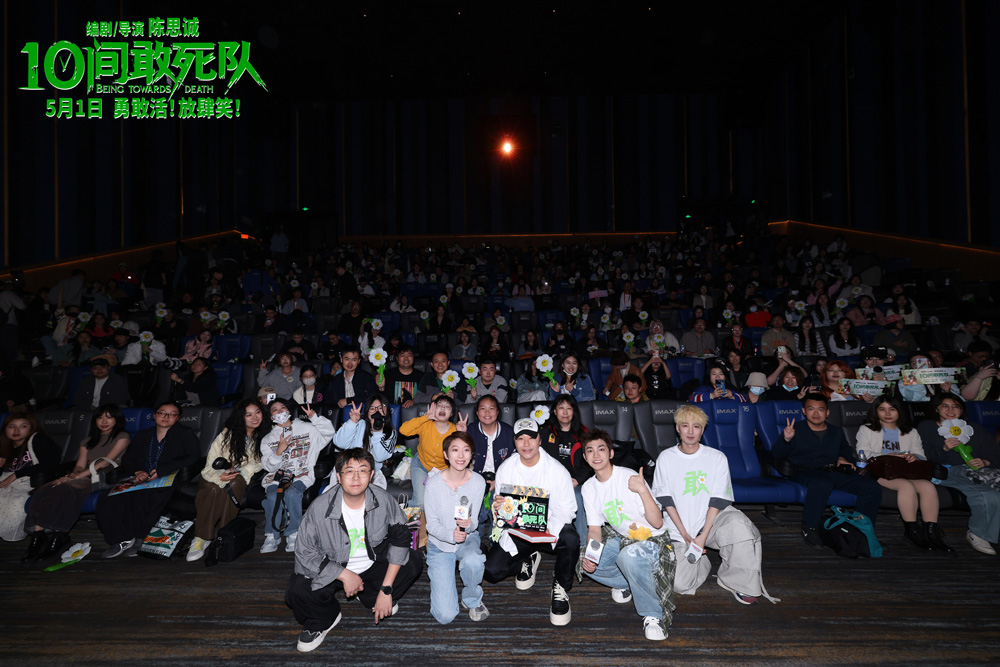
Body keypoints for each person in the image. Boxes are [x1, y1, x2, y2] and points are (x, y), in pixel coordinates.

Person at [286, 447, 423, 652]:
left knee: (413, 561)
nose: (356, 477)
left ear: (372, 475)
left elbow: (401, 538)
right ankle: (324, 618)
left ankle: (371, 595)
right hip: (333, 566)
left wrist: (386, 590)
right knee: (297, 590)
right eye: (349, 471)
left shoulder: (383, 499)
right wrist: (344, 574)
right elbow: (305, 552)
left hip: (373, 562)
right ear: (339, 477)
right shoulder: (319, 507)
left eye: (362, 470)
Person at [652, 405, 777, 606]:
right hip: (678, 528)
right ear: (677, 428)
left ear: (702, 430)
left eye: (696, 426)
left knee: (739, 525)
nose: (690, 431)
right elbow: (665, 500)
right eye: (685, 425)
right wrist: (685, 535)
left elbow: (718, 500)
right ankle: (703, 561)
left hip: (711, 522)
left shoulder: (716, 457)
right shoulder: (666, 458)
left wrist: (702, 537)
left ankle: (737, 581)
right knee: (680, 584)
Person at [579, 429, 673, 641]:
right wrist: (592, 557)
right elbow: (594, 529)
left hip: (653, 540)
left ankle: (653, 614)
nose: (596, 455)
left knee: (628, 556)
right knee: (583, 561)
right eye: (590, 451)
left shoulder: (629, 477)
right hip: (624, 539)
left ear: (611, 453)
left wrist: (643, 490)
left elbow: (658, 522)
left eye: (601, 449)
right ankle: (630, 582)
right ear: (585, 457)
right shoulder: (589, 488)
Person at [484, 418, 578, 626]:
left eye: (531, 438)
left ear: (539, 440)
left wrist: (543, 527)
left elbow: (568, 510)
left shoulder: (557, 470)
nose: (526, 444)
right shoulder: (506, 469)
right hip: (518, 532)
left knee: (571, 538)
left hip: (549, 530)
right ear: (514, 441)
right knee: (491, 571)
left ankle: (561, 587)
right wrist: (498, 507)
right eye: (521, 439)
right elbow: (502, 509)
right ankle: (528, 558)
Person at [22, 405, 130, 564]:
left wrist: (77, 477)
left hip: (104, 477)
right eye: (100, 417)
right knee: (48, 487)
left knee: (65, 488)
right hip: (83, 477)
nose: (104, 421)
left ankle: (59, 535)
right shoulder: (87, 441)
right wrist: (72, 475)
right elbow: (79, 465)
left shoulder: (122, 436)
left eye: (109, 417)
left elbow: (105, 462)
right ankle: (38, 536)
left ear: (117, 420)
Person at [772, 394, 883, 548]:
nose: (816, 413)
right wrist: (786, 439)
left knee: (871, 487)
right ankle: (810, 528)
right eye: (811, 409)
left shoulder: (836, 431)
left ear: (827, 413)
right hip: (804, 471)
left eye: (820, 409)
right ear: (804, 411)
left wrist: (843, 458)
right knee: (822, 484)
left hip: (832, 471)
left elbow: (845, 449)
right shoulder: (794, 429)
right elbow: (776, 454)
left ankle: (862, 530)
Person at [95, 401, 200, 558]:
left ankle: (141, 537)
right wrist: (138, 471)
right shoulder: (143, 435)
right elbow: (128, 459)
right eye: (162, 412)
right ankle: (121, 539)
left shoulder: (185, 434)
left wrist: (162, 471)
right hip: (140, 477)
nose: (166, 416)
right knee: (107, 498)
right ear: (154, 415)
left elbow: (193, 457)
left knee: (148, 495)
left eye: (172, 414)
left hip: (168, 477)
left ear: (178, 418)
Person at [855, 394, 952, 552]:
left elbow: (921, 455)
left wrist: (914, 456)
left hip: (906, 470)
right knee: (906, 486)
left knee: (928, 487)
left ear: (899, 411)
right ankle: (911, 531)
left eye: (892, 409)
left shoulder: (910, 431)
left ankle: (931, 532)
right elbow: (863, 453)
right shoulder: (867, 429)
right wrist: (890, 455)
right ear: (876, 411)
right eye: (882, 409)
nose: (887, 413)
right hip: (880, 470)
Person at [917, 394, 1000, 555]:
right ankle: (979, 534)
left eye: (955, 406)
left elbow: (995, 454)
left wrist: (985, 462)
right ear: (936, 409)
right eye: (945, 406)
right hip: (946, 471)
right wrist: (944, 449)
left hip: (979, 471)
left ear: (962, 410)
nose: (950, 410)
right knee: (988, 495)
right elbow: (924, 456)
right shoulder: (927, 427)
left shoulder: (974, 429)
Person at [187, 398, 267, 561]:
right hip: (213, 474)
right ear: (241, 417)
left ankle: (224, 534)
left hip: (244, 476)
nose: (254, 417)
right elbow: (210, 464)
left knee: (235, 482)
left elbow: (261, 462)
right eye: (248, 414)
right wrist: (219, 475)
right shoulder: (226, 435)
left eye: (257, 412)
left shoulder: (266, 435)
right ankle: (202, 537)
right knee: (214, 488)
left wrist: (242, 471)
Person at [424, 432, 489, 624]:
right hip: (439, 545)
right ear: (446, 454)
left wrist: (469, 525)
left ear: (471, 454)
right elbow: (431, 524)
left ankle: (472, 598)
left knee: (473, 560)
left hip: (467, 539)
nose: (461, 456)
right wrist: (450, 535)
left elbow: (475, 521)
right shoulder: (433, 483)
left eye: (466, 450)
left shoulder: (478, 481)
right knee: (445, 616)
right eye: (455, 450)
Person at [259, 398, 335, 554]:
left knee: (292, 493)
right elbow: (268, 467)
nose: (280, 412)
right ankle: (272, 535)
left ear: (289, 411)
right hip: (276, 477)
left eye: (282, 408)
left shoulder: (307, 428)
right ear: (271, 417)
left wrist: (314, 418)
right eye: (275, 410)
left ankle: (294, 532)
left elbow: (329, 432)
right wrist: (279, 451)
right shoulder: (267, 439)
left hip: (301, 475)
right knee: (273, 496)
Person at [0, 413, 61, 543]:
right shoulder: (4, 445)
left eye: (23, 426)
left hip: (30, 482)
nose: (16, 430)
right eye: (11, 426)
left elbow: (50, 463)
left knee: (13, 503)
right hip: (5, 481)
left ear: (31, 428)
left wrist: (17, 474)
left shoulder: (38, 439)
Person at [400, 395, 458, 509]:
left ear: (451, 414)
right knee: (420, 503)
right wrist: (425, 417)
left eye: (447, 406)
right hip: (421, 465)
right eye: (439, 405)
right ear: (433, 408)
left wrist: (462, 433)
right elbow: (403, 430)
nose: (443, 408)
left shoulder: (455, 430)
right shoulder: (425, 424)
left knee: (443, 503)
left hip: (443, 471)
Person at [332, 395, 397, 490]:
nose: (376, 411)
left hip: (369, 474)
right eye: (372, 408)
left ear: (386, 410)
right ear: (367, 412)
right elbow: (339, 443)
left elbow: (380, 457)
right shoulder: (359, 423)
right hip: (347, 469)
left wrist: (377, 432)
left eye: (380, 408)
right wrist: (352, 422)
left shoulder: (390, 431)